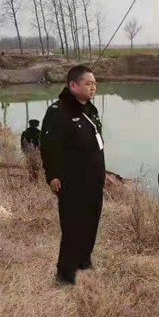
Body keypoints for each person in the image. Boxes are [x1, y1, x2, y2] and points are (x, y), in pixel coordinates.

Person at [41, 65, 105, 285]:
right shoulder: (58, 112)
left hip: (93, 179)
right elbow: (48, 146)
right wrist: (52, 175)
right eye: (88, 84)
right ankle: (64, 274)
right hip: (71, 181)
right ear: (73, 86)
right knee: (72, 227)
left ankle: (83, 262)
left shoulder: (89, 108)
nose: (93, 87)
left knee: (91, 222)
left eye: (94, 83)